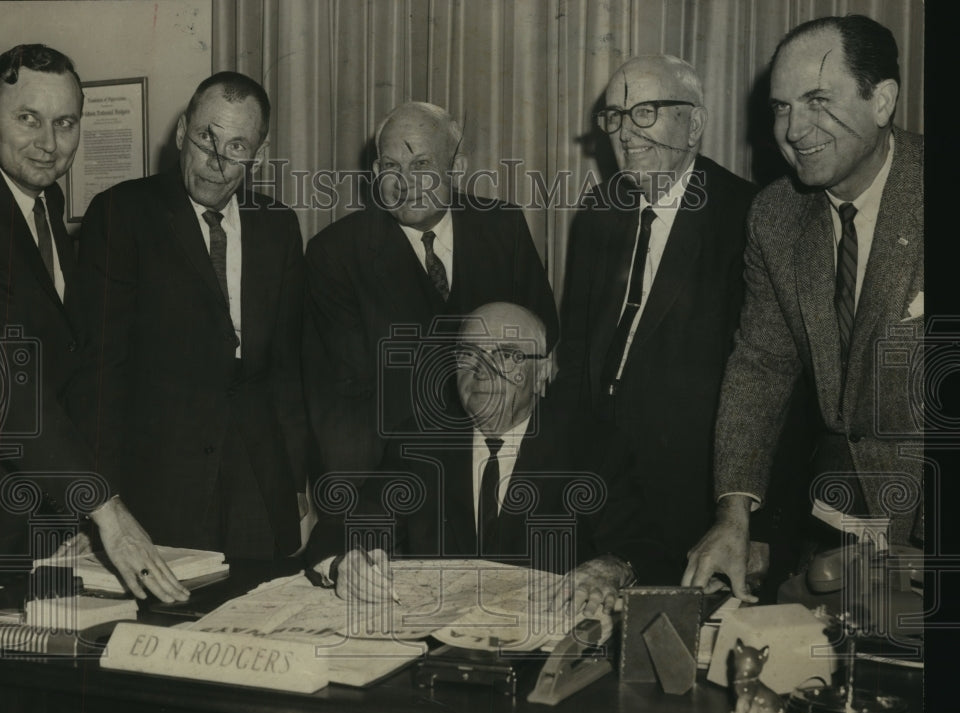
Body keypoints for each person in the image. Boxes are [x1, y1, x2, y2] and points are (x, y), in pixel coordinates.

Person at [683, 15, 923, 601]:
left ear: (882, 101)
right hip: (837, 517)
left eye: (818, 100)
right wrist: (734, 514)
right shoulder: (776, 216)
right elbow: (760, 367)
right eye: (781, 107)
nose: (793, 129)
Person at [0, 44, 187, 601]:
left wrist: (77, 513)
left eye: (64, 123)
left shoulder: (44, 202)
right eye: (28, 119)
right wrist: (104, 510)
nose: (49, 143)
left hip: (34, 525)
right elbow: (3, 384)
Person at [74, 72, 308, 560]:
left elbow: (287, 369)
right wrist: (100, 499)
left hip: (258, 483)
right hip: (158, 484)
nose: (217, 162)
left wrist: (296, 480)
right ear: (182, 131)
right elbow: (101, 371)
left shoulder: (279, 226)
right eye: (207, 137)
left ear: (259, 154)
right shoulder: (122, 213)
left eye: (237, 146)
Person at [309, 302, 672, 615]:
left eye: (506, 355)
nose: (482, 370)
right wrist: (343, 564)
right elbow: (342, 528)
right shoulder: (419, 443)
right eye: (468, 354)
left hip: (543, 645)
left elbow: (643, 546)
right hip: (438, 645)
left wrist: (611, 568)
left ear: (543, 372)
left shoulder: (593, 447)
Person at [554, 55, 772, 569]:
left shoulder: (748, 216)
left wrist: (755, 525)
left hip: (696, 494)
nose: (625, 132)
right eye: (615, 116)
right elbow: (577, 355)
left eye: (645, 112)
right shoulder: (598, 212)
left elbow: (775, 382)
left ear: (693, 125)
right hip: (598, 485)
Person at [303, 102, 559, 479]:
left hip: (500, 461)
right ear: (376, 173)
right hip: (394, 469)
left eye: (421, 165)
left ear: (457, 168)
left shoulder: (504, 228)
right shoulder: (335, 253)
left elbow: (543, 345)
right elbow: (343, 397)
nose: (404, 183)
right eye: (391, 167)